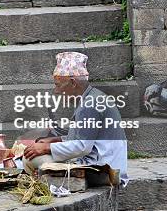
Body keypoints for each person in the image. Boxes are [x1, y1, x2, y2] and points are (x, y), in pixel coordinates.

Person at [23, 52, 129, 185]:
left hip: (105, 172)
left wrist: (46, 147)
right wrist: (56, 140)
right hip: (103, 164)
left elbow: (82, 147)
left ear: (73, 83)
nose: (56, 91)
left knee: (31, 160)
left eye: (58, 85)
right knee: (36, 156)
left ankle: (54, 186)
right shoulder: (92, 97)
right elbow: (87, 138)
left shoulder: (91, 104)